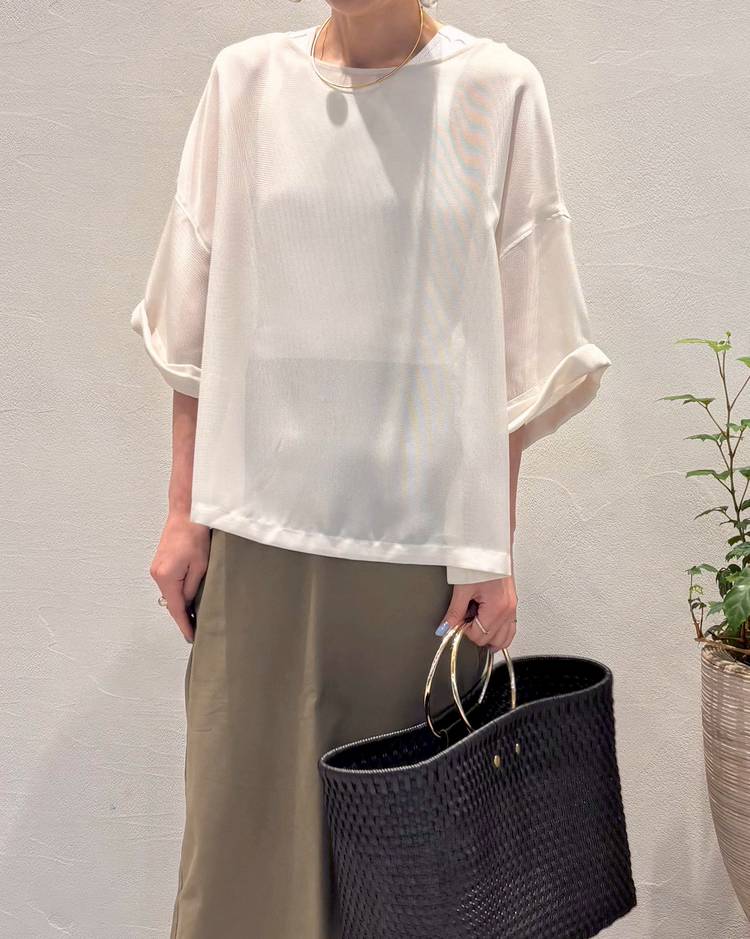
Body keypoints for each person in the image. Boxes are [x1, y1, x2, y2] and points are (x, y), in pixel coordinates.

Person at [129, 2, 611, 937]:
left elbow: (516, 351)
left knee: (410, 884)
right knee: (239, 866)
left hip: (419, 570)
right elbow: (191, 327)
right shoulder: (244, 84)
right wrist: (182, 513)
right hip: (255, 547)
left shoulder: (495, 92)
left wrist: (492, 547)